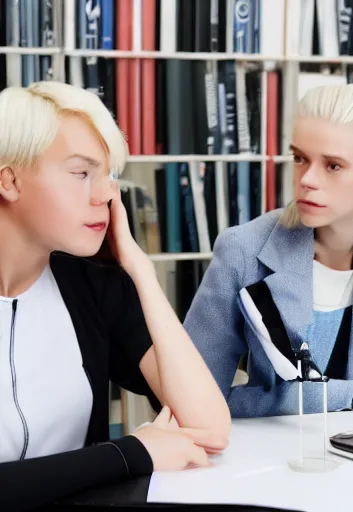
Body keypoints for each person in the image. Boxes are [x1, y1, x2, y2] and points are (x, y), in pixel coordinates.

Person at [0, 81, 231, 511]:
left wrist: (140, 269)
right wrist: (130, 453)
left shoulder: (92, 283)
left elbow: (210, 429)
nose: (106, 194)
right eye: (81, 173)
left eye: (108, 175)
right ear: (9, 180)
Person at [184, 83, 353, 419]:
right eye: (300, 158)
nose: (307, 180)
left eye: (333, 165)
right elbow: (192, 396)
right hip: (275, 457)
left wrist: (316, 394)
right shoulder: (244, 249)